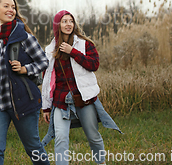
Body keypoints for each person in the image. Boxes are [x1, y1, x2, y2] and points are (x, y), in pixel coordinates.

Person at [0, 0, 50, 165]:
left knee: (33, 147)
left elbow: (43, 61)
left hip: (23, 101)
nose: (11, 10)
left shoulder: (23, 36)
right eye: (6, 6)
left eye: (13, 7)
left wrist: (25, 69)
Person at [41, 10, 122, 165]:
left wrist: (73, 52)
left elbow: (94, 65)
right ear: (57, 25)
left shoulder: (85, 44)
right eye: (64, 21)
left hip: (83, 98)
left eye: (71, 21)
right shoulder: (50, 50)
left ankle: (101, 163)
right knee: (61, 138)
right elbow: (47, 81)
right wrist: (45, 107)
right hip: (60, 100)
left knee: (93, 136)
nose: (68, 24)